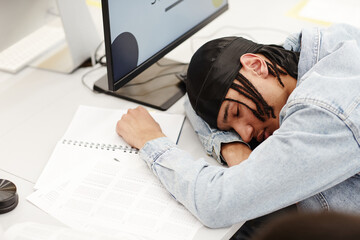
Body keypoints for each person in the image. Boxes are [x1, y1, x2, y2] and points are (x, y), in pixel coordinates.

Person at [116, 23, 360, 231]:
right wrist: (232, 147)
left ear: (255, 65)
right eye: (232, 127)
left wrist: (151, 140)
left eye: (236, 113)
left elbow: (216, 204)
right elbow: (192, 102)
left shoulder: (325, 112)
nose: (245, 133)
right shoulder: (315, 52)